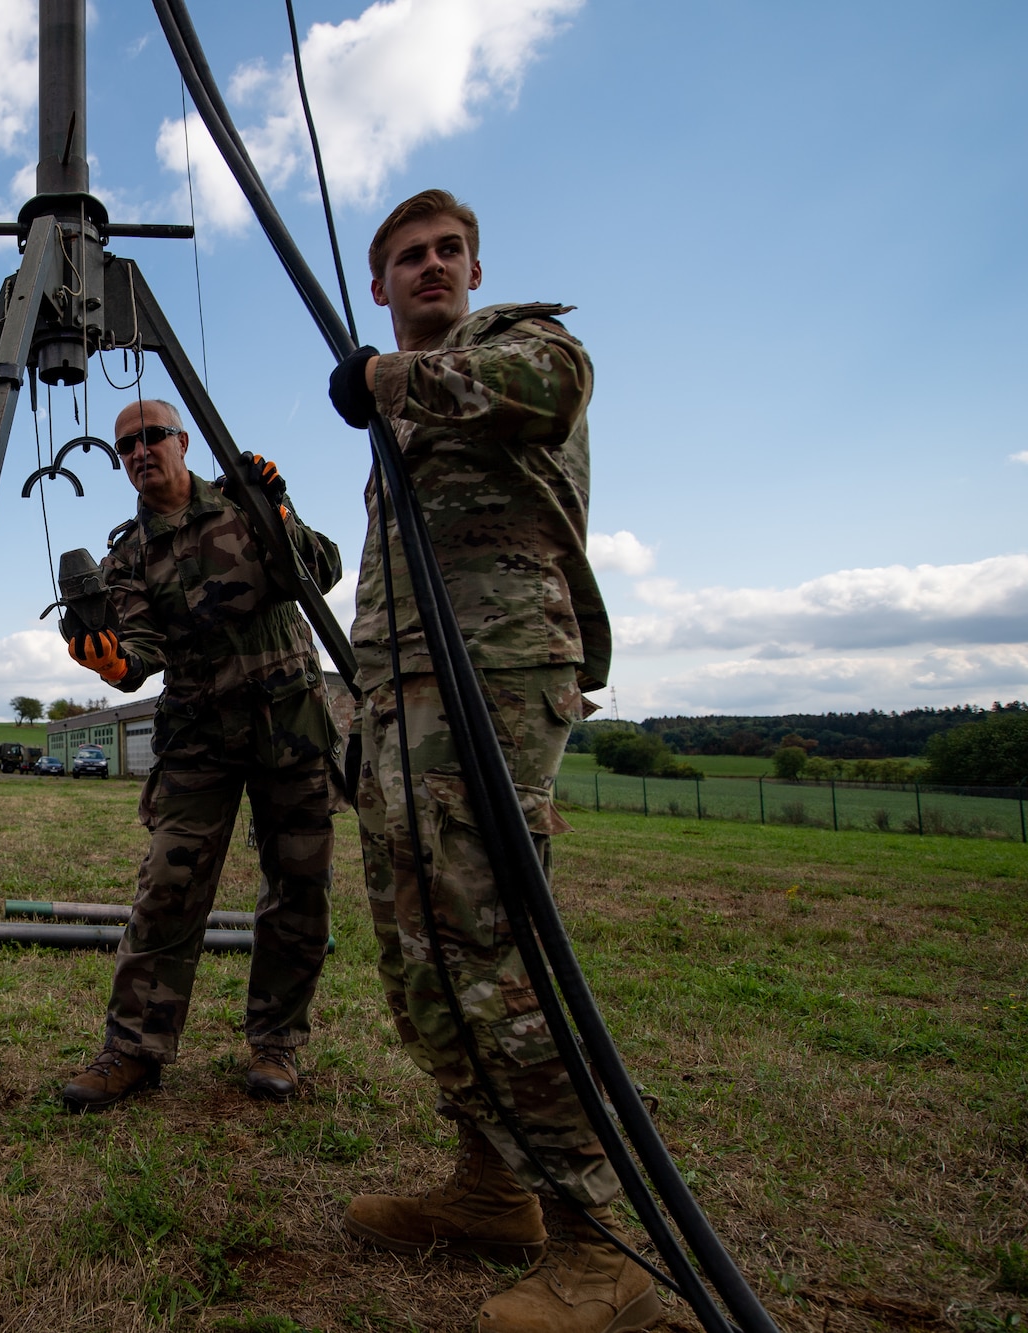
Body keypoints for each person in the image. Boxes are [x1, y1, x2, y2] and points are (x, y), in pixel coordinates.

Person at [326, 191, 659, 1333]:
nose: (429, 268)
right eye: (406, 257)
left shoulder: (522, 345)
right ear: (377, 284)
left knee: (489, 949)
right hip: (399, 696)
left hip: (494, 675)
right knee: (419, 956)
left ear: (472, 268)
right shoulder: (400, 415)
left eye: (445, 252)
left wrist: (382, 380)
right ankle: (489, 1189)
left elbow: (541, 394)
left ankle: (601, 1246)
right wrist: (360, 715)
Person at [57, 399, 343, 1111]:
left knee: (298, 890)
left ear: (184, 441)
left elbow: (323, 570)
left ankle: (276, 1045)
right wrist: (110, 662)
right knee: (167, 889)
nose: (139, 451)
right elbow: (141, 654)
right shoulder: (128, 556)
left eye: (153, 436)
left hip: (290, 724)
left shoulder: (244, 502)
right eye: (125, 446)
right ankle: (132, 1051)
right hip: (198, 736)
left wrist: (280, 510)